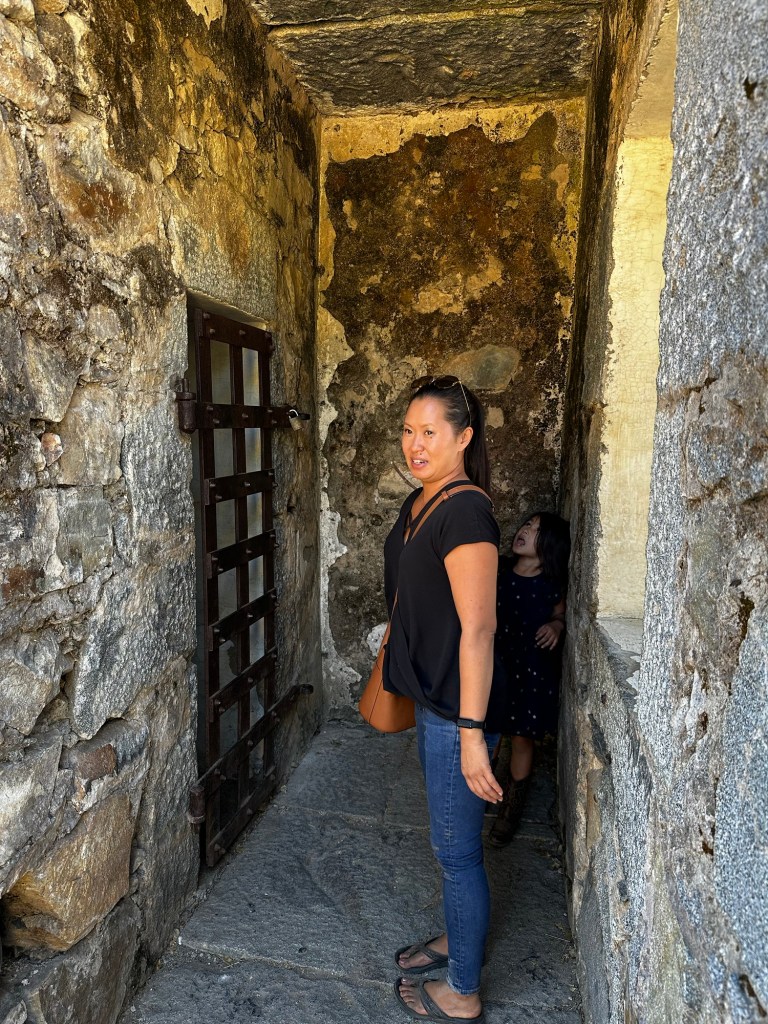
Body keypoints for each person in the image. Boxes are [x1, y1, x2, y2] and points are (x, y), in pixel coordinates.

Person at [385, 374, 503, 1024]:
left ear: (463, 437)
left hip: (459, 710)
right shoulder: (423, 500)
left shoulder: (464, 512)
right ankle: (460, 937)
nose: (416, 444)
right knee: (448, 846)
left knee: (458, 854)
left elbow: (479, 629)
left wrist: (471, 735)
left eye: (430, 431)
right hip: (435, 701)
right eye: (409, 430)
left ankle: (463, 992)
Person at [488, 511, 570, 848]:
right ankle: (480, 790)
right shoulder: (499, 572)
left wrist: (557, 626)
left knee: (522, 737)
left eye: (535, 530)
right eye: (526, 524)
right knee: (489, 729)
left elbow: (560, 614)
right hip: (496, 664)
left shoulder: (551, 585)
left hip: (532, 671)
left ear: (549, 545)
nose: (524, 530)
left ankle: (510, 807)